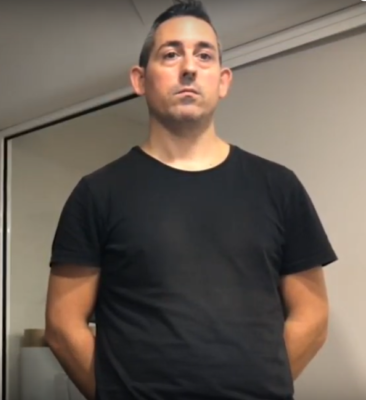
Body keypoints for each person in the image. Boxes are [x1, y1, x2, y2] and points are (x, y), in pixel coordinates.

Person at [44, 1, 336, 399]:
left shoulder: (279, 187)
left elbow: (312, 316)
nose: (188, 68)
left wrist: (262, 387)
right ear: (139, 79)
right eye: (170, 54)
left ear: (223, 81)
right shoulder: (96, 194)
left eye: (204, 55)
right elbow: (63, 327)